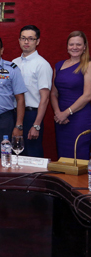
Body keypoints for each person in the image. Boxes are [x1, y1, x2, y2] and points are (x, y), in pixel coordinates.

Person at [12, 25, 52, 158]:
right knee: (15, 155)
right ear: (19, 40)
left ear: (37, 41)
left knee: (32, 157)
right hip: (14, 114)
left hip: (32, 116)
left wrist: (36, 125)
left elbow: (45, 98)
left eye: (30, 38)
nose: (26, 42)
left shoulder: (42, 64)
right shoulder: (14, 63)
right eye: (23, 38)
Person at [50, 31, 91, 160]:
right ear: (67, 46)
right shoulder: (59, 65)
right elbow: (53, 93)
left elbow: (87, 96)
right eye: (71, 44)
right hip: (61, 120)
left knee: (78, 155)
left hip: (80, 118)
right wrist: (58, 113)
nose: (74, 47)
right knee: (63, 156)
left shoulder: (88, 65)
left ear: (84, 46)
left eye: (78, 44)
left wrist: (66, 113)